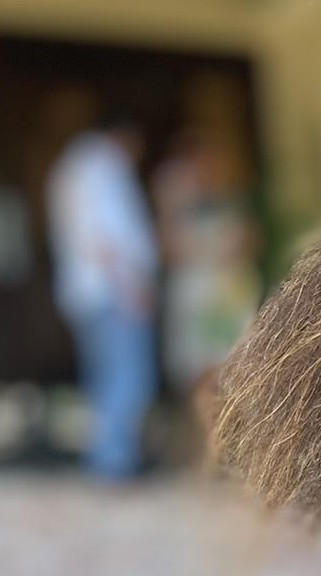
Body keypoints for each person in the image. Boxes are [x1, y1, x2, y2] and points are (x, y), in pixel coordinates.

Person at [44, 109, 159, 480]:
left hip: (84, 291)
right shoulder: (104, 167)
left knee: (104, 377)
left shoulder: (70, 168)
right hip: (112, 290)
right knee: (129, 375)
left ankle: (107, 457)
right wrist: (131, 286)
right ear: (124, 138)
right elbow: (107, 239)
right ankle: (114, 462)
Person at [151, 118, 260, 448]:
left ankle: (224, 443)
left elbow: (248, 241)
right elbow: (168, 248)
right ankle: (206, 444)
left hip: (227, 296)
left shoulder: (230, 200)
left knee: (228, 368)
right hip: (197, 296)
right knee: (199, 370)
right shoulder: (174, 203)